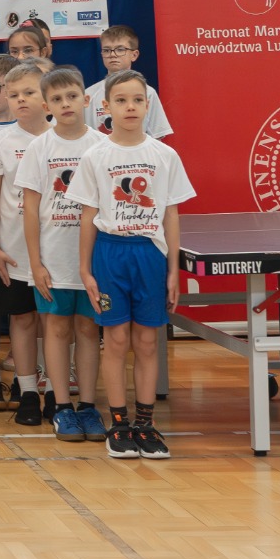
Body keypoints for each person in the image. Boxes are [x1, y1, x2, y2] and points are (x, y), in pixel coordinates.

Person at [70, 70, 192, 460]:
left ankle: (145, 424)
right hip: (110, 253)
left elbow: (171, 215)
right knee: (116, 340)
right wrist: (85, 269)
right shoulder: (95, 155)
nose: (130, 107)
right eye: (121, 100)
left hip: (149, 254)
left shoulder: (164, 155)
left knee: (146, 341)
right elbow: (87, 216)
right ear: (106, 106)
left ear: (147, 104)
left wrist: (173, 269)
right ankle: (119, 423)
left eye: (137, 100)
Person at [17, 67, 108, 444]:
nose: (65, 104)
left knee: (88, 329)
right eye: (56, 99)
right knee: (55, 329)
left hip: (94, 261)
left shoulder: (102, 146)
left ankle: (87, 405)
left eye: (72, 96)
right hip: (53, 260)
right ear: (46, 106)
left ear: (86, 99)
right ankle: (62, 407)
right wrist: (35, 263)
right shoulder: (39, 148)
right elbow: (29, 209)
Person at [0, 61, 53, 420]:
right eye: (14, 94)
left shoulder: (63, 139)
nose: (20, 99)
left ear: (47, 97)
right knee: (22, 321)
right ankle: (28, 394)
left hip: (56, 252)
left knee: (55, 324)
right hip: (15, 253)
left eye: (29, 92)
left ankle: (55, 392)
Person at [85, 26, 174, 138]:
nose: (112, 54)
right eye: (106, 50)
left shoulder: (148, 93)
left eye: (120, 49)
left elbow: (157, 136)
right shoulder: (89, 94)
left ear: (134, 55)